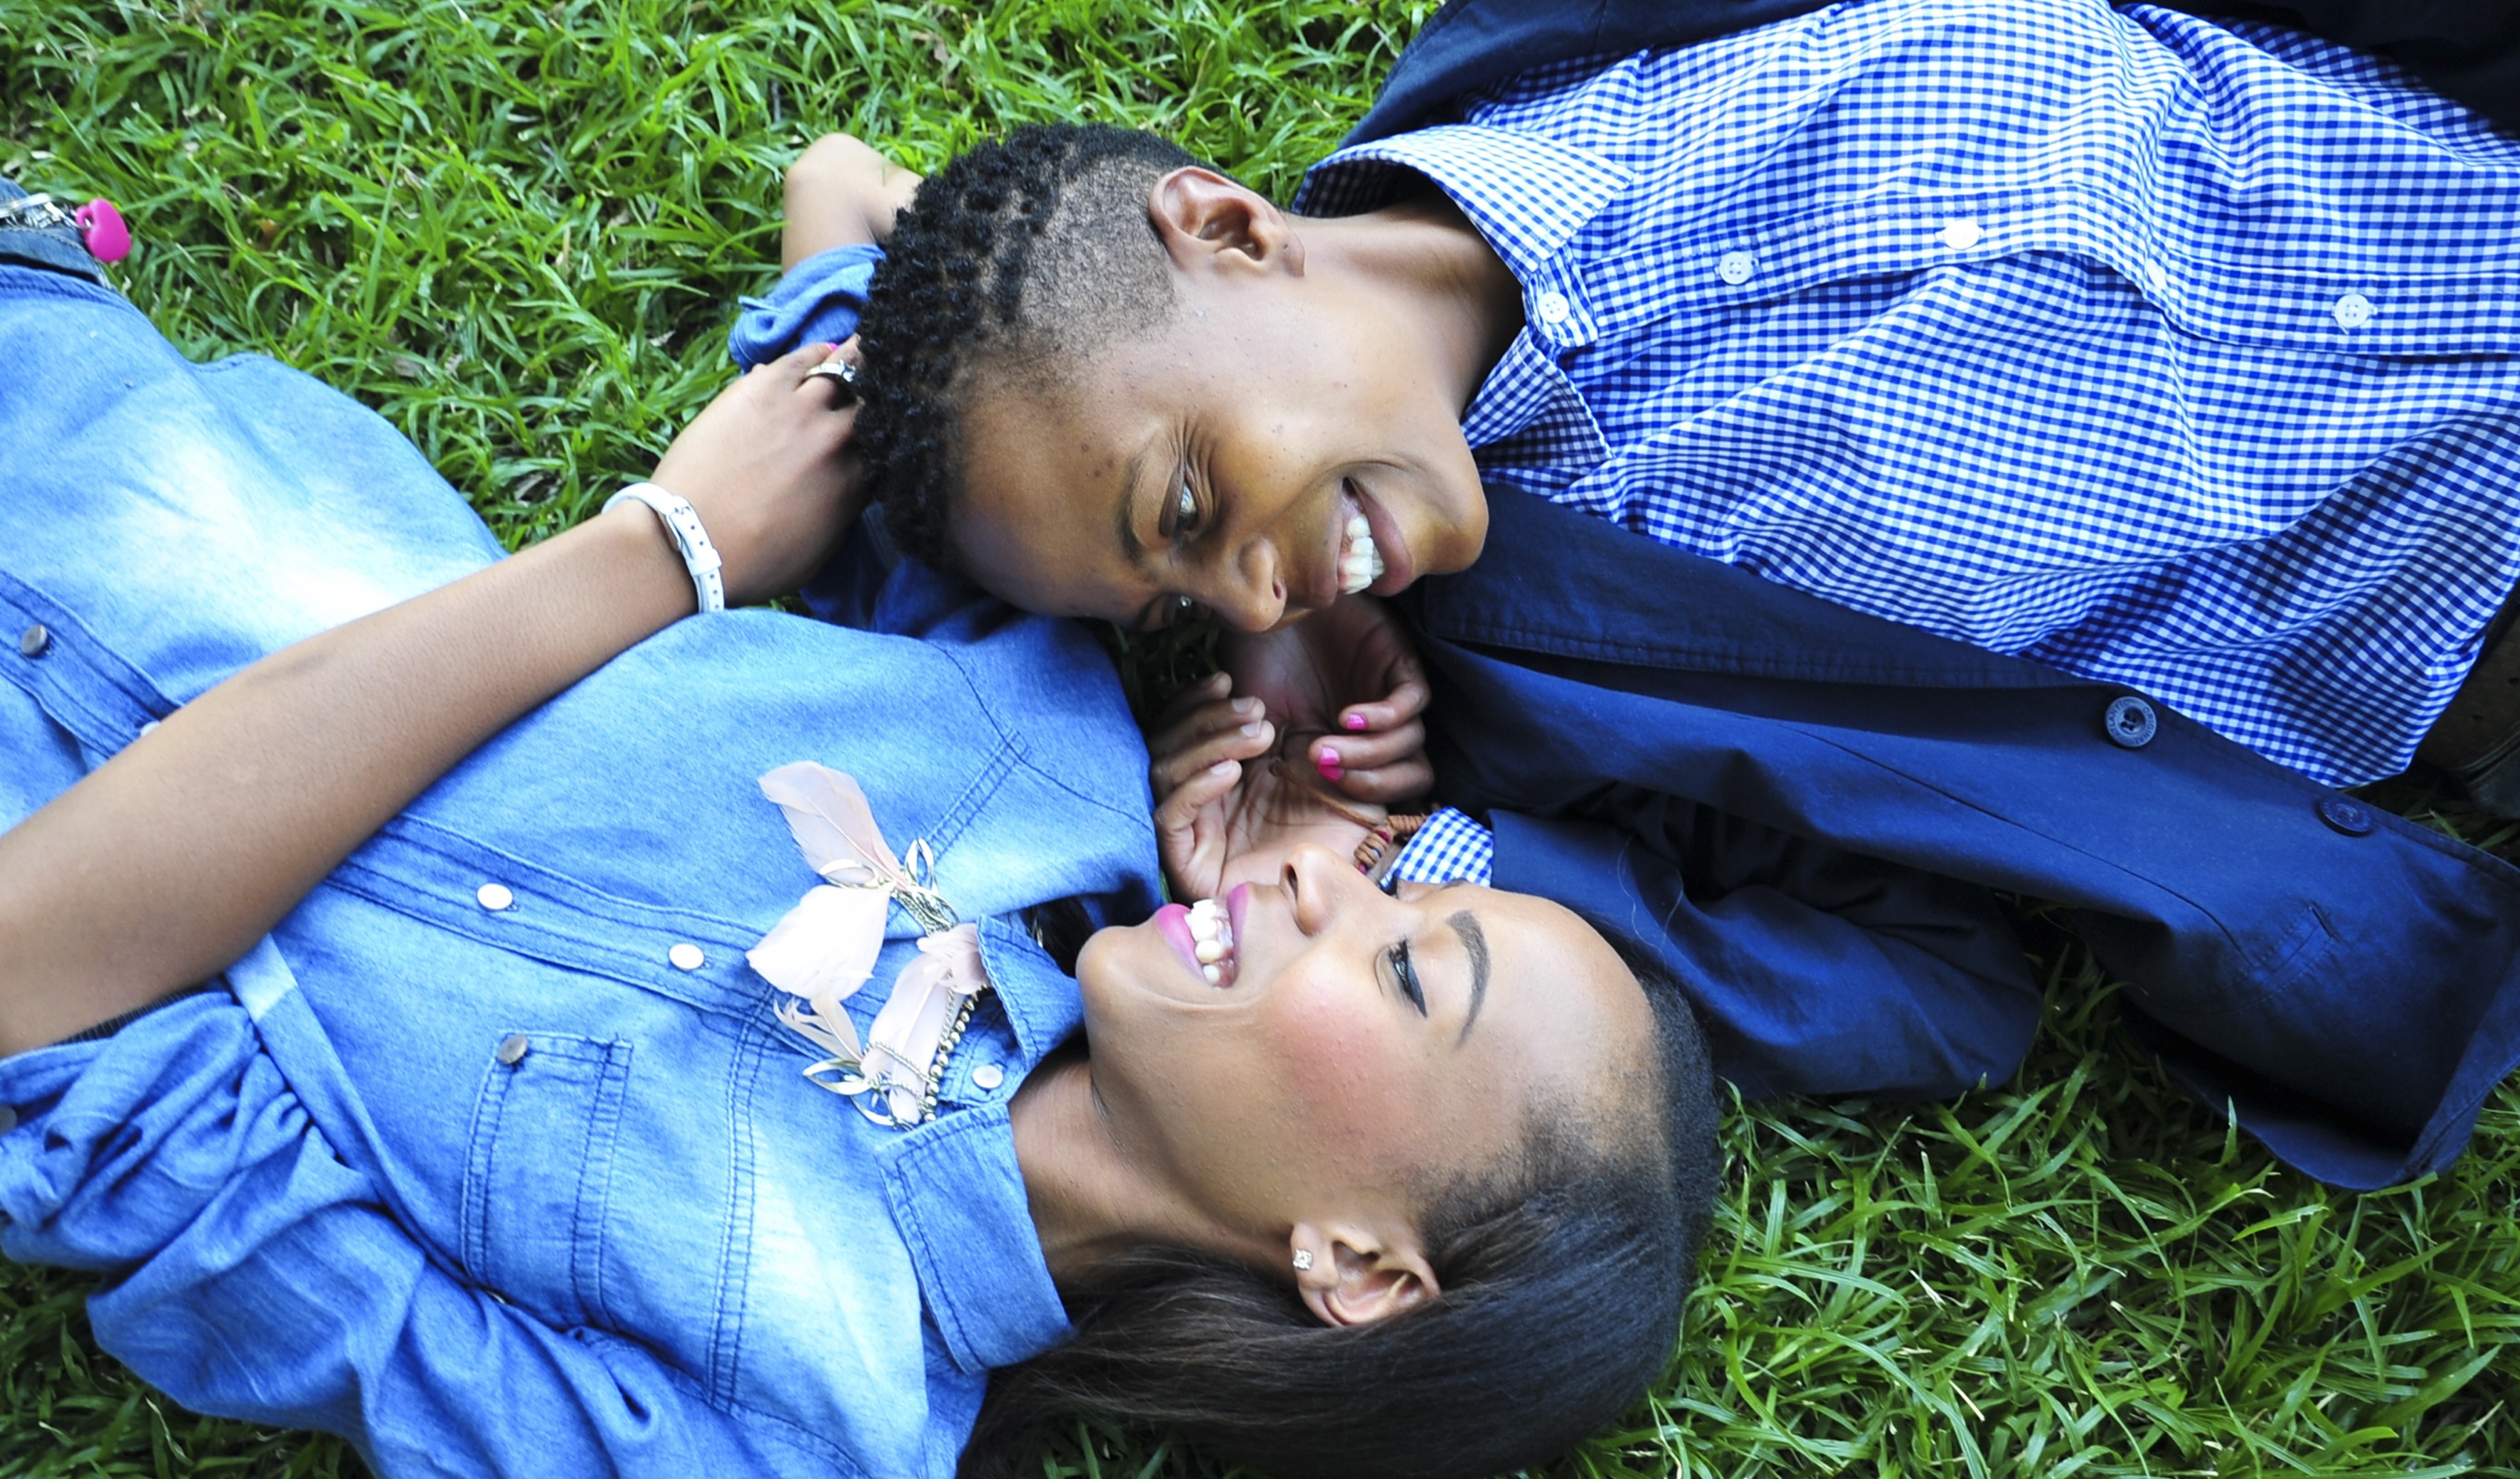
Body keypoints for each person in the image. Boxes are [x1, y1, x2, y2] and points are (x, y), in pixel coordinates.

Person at [0, 214, 1719, 1479]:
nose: (1336, 888)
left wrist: (660, 556)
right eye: (1400, 886)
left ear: (1357, 1266)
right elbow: (901, 250)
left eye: (1411, 969)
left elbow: (56, 1052)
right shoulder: (1037, 753)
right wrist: (1286, 604)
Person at [750, 0, 2520, 1191]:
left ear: (1218, 227)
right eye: (1176, 588)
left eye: (1195, 502)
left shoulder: (1556, 53)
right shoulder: (1520, 704)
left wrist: (845, 279)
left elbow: (839, 178)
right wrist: (1397, 840)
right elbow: (1927, 993)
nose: (1245, 577)